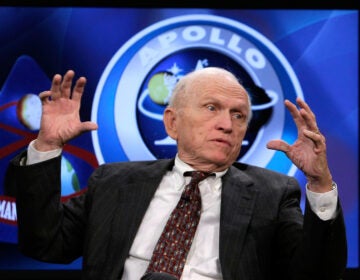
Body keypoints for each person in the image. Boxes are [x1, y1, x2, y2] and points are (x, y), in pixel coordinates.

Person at [6, 67, 347, 280]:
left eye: (239, 116)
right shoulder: (113, 181)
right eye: (212, 108)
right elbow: (45, 245)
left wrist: (319, 183)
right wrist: (47, 146)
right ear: (172, 123)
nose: (227, 124)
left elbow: (317, 273)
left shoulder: (272, 193)